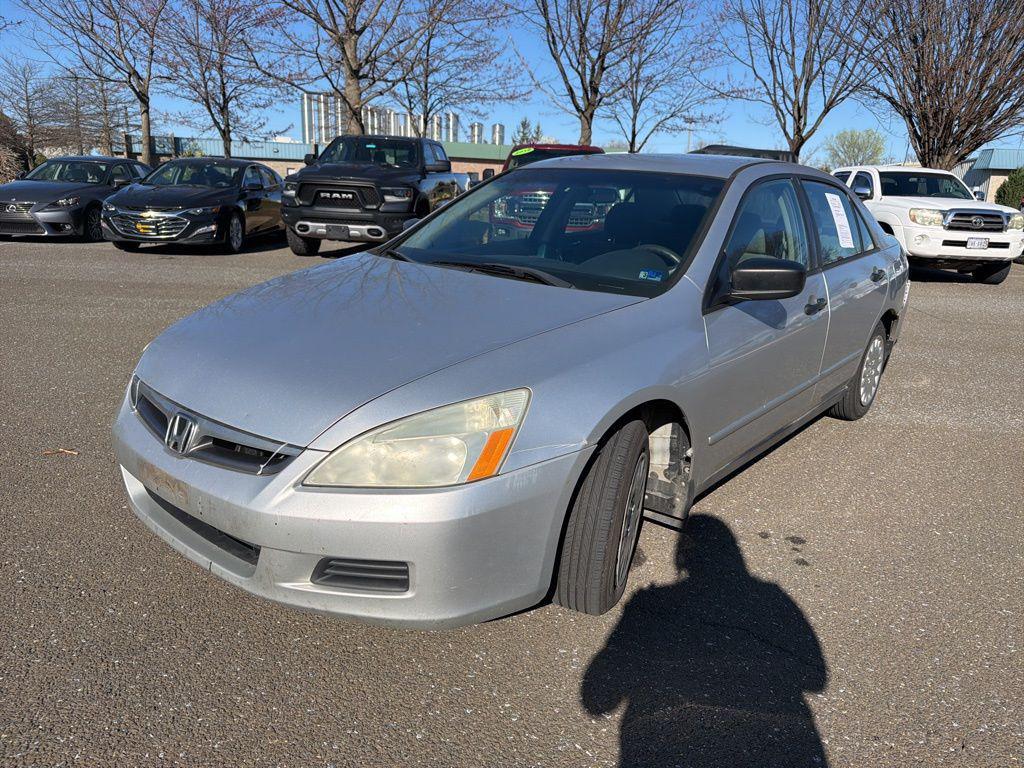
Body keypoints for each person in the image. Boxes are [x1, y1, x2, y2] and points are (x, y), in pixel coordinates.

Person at [582, 514, 829, 767]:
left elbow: (598, 699)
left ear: (682, 556)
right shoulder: (772, 598)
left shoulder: (650, 604)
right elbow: (815, 679)